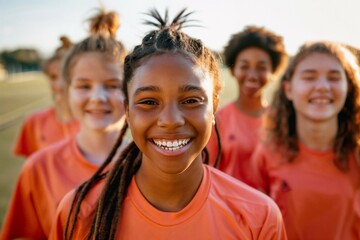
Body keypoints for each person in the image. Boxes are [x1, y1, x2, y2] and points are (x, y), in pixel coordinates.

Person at [49, 8, 287, 240]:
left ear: (214, 107)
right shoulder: (81, 212)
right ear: (127, 111)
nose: (171, 120)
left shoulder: (258, 216)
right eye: (149, 101)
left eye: (191, 100)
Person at [0, 9, 128, 239]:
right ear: (66, 91)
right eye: (84, 86)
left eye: (112, 85)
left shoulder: (152, 164)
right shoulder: (38, 167)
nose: (97, 96)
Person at [250, 41, 360, 239]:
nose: (323, 87)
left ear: (348, 88)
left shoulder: (357, 155)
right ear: (288, 89)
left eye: (334, 78)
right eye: (309, 77)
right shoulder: (268, 152)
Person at [206, 26, 288, 185]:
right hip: (229, 206)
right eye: (244, 66)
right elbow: (208, 172)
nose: (252, 75)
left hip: (273, 208)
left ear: (273, 73)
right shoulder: (218, 120)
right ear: (233, 70)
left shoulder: (281, 121)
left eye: (261, 68)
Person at [12, 36, 80, 157]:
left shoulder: (93, 122)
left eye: (66, 76)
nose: (59, 84)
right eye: (53, 77)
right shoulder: (33, 122)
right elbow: (32, 168)